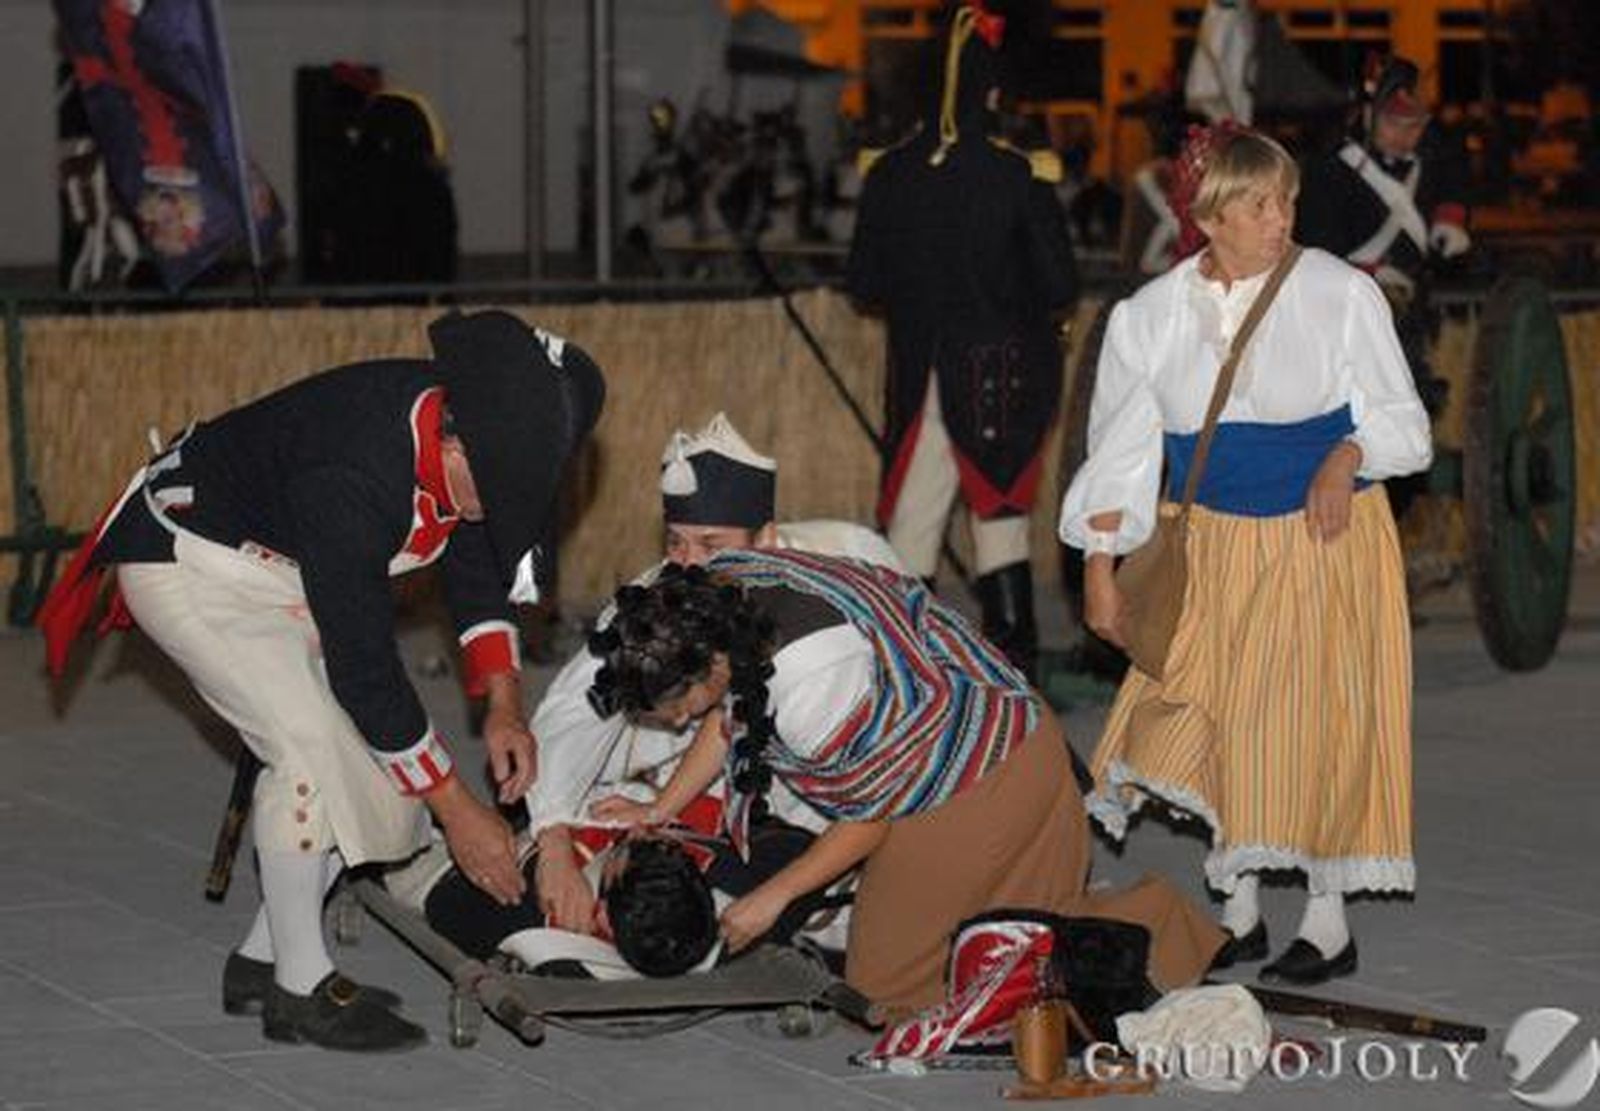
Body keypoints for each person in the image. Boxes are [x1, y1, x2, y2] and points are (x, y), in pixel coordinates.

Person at [38, 310, 604, 1050]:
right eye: (494, 486)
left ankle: (262, 957)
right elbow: (366, 669)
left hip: (280, 569)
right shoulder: (356, 472)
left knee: (378, 777)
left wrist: (503, 702)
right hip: (193, 565)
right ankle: (298, 988)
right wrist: (459, 810)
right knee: (309, 752)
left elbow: (477, 563)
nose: (500, 506)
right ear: (452, 438)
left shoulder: (479, 456)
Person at [1058, 126, 1432, 986]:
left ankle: (1329, 922)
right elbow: (1118, 451)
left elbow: (1404, 426)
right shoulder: (1147, 317)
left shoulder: (1340, 293)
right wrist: (1099, 566)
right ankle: (1239, 907)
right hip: (1212, 545)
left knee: (1310, 725)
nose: (1282, 218)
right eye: (1261, 204)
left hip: (1320, 540)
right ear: (1210, 214)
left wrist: (1346, 455)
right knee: (1217, 720)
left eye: (1287, 200)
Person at [584, 551, 1091, 1015]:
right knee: (955, 945)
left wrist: (772, 898)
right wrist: (659, 808)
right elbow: (730, 718)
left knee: (893, 991)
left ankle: (1135, 941)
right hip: (947, 744)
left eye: (677, 707)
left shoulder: (811, 692)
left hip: (982, 769)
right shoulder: (715, 599)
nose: (676, 722)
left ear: (708, 666)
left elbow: (869, 819)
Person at [524, 412, 903, 938]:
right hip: (687, 773)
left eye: (711, 543)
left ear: (766, 538)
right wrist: (555, 838)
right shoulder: (654, 600)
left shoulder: (848, 562)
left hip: (840, 774)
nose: (689, 565)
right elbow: (575, 709)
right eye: (676, 542)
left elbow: (879, 774)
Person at [846, 3, 1079, 680]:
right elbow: (1060, 283)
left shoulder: (888, 174)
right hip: (999, 379)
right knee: (1000, 524)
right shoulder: (1017, 174)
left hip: (919, 376)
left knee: (913, 528)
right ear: (995, 93)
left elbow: (863, 281)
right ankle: (1015, 684)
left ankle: (905, 682)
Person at [389, 778, 825, 980]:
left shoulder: (530, 910)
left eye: (629, 847)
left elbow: (439, 900)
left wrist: (554, 845)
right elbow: (801, 849)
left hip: (460, 868)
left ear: (603, 917)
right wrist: (660, 807)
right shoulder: (745, 885)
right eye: (664, 843)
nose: (639, 831)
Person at [1295, 56, 1467, 519]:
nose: (1405, 134)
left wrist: (1451, 220)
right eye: (1394, 123)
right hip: (1346, 305)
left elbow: (1454, 184)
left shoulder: (1431, 164)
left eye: (1414, 125)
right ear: (1372, 118)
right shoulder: (1334, 170)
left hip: (1408, 303)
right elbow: (1316, 242)